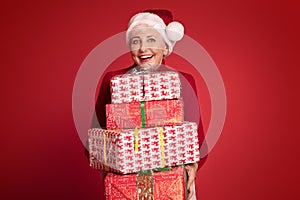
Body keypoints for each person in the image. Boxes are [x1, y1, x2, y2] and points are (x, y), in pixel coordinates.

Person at [89, 9, 207, 200]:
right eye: (136, 41)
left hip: (173, 183)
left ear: (166, 46)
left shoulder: (183, 81)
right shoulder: (114, 80)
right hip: (126, 186)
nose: (143, 48)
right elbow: (96, 138)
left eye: (151, 40)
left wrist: (191, 168)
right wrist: (111, 169)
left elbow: (197, 139)